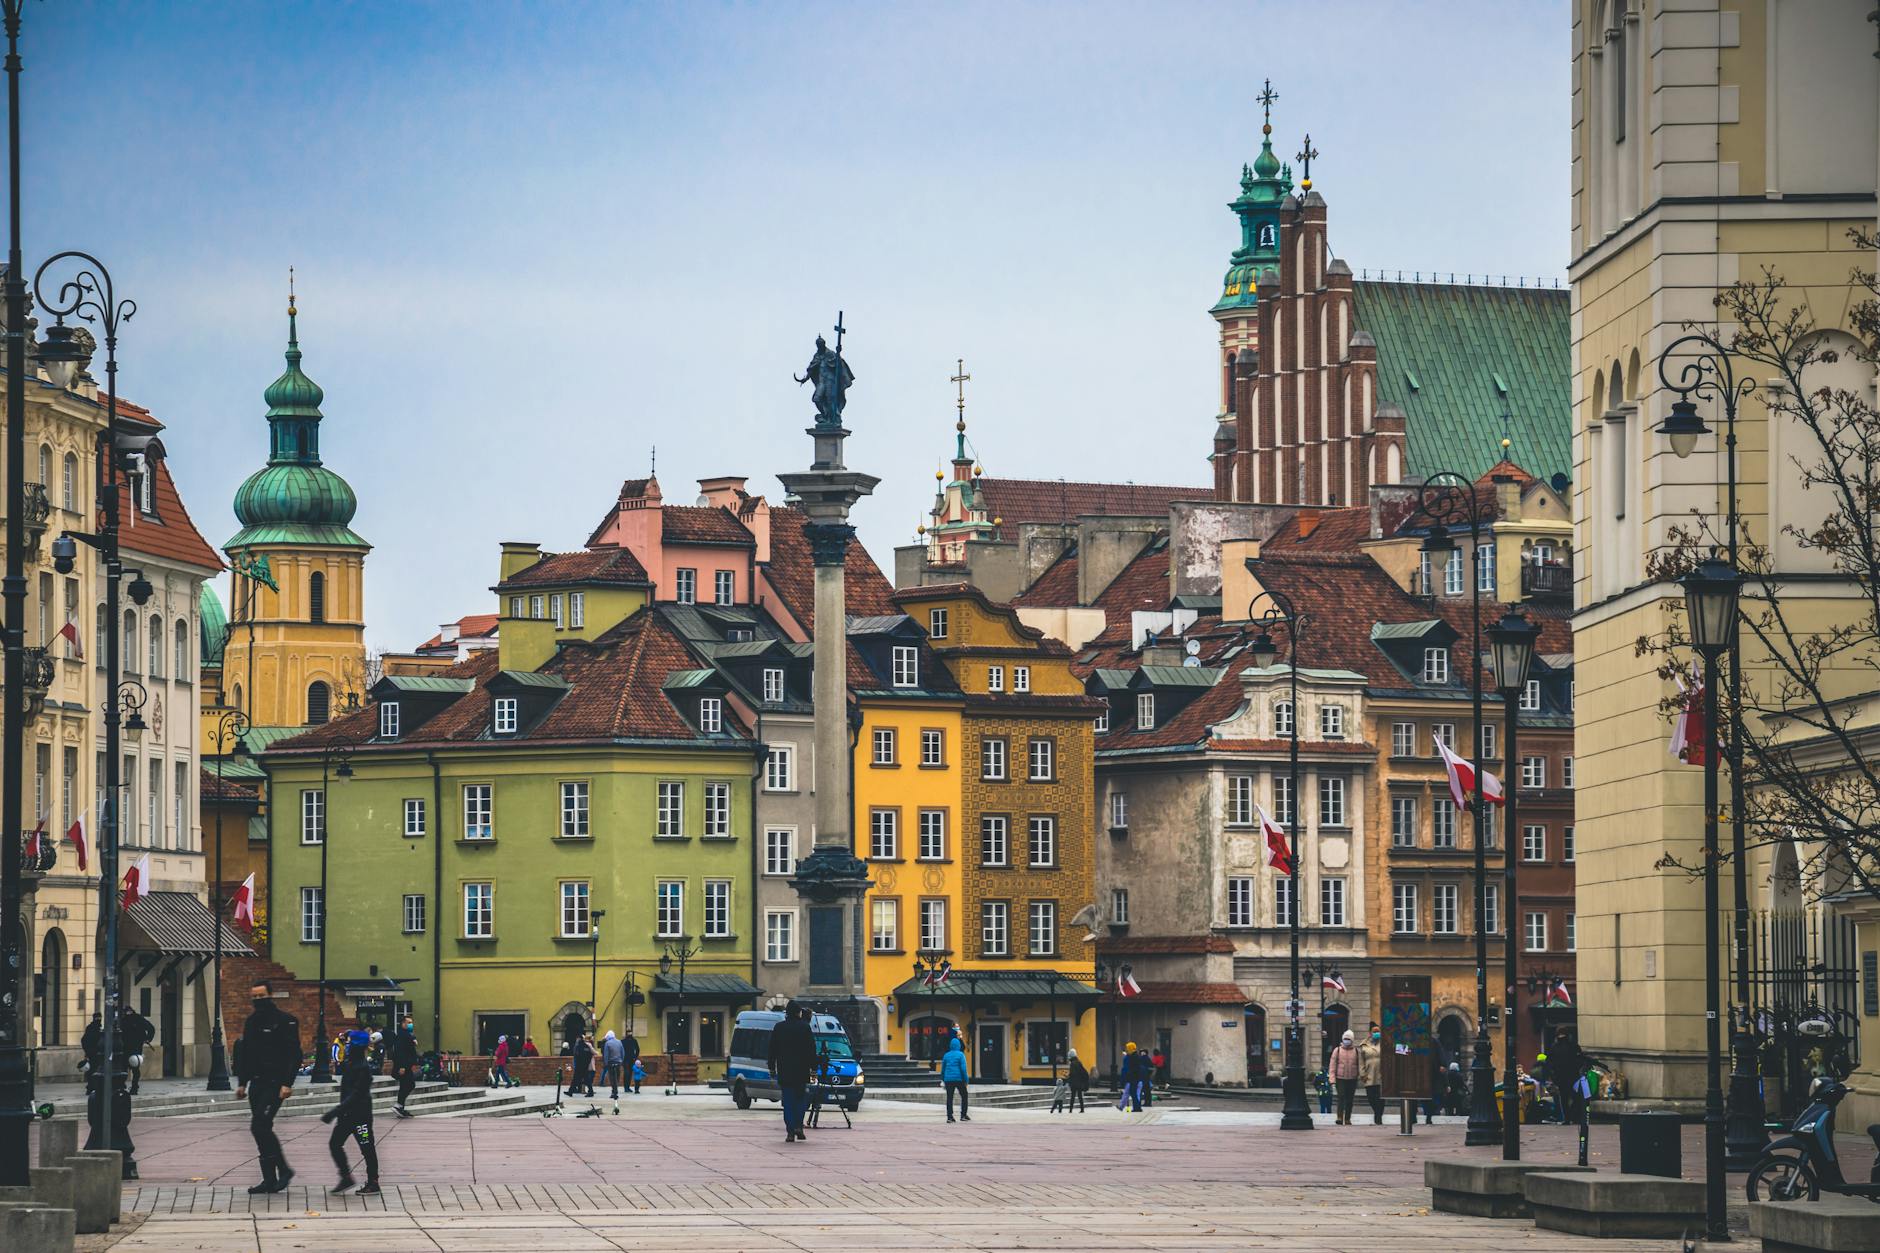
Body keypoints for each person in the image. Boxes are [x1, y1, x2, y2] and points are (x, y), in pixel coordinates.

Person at [235, 980, 302, 1194]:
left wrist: (287, 1083)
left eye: (261, 996)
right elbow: (246, 1053)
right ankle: (269, 1179)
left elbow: (294, 1054)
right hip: (256, 1082)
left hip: (275, 1083)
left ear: (270, 995)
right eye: (254, 997)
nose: (257, 1000)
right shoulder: (252, 1021)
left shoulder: (285, 1021)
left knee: (260, 1126)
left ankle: (283, 1170)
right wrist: (242, 1083)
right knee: (262, 1129)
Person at [321, 1030, 381, 1194]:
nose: (346, 1045)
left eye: (348, 1042)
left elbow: (356, 1094)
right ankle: (346, 1176)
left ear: (355, 1046)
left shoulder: (362, 1068)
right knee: (335, 1144)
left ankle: (373, 1181)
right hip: (347, 1116)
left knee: (367, 1148)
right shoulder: (349, 1064)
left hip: (360, 1116)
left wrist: (335, 1111)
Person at [82, 1005, 138, 1179]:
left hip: (105, 1061)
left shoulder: (96, 1030)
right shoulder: (99, 1031)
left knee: (96, 1083)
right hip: (112, 1061)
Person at [767, 1003, 817, 1142]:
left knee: (788, 1102)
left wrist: (771, 1067)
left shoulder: (779, 1027)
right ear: (798, 1013)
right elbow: (811, 1049)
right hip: (801, 1071)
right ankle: (798, 1126)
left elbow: (772, 1050)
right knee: (801, 1100)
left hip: (785, 1070)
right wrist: (814, 1068)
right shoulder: (804, 1027)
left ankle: (790, 1131)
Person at [118, 1004, 155, 1095]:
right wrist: (147, 1038)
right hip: (135, 1047)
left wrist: (147, 1038)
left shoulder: (124, 1020)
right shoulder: (139, 1019)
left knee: (125, 1068)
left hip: (127, 1047)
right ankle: (133, 1087)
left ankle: (124, 1086)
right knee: (134, 1068)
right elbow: (151, 1028)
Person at [1328, 1029, 1360, 1125]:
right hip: (1340, 1078)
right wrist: (1332, 1079)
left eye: (1348, 1039)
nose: (1347, 1040)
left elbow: (1360, 1065)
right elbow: (1332, 1065)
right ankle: (1339, 1117)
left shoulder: (1356, 1051)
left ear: (1352, 1040)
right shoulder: (1337, 1050)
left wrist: (1361, 1076)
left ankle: (1347, 1118)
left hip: (1352, 1078)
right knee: (1341, 1097)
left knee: (1350, 1099)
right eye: (1345, 1039)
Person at [389, 1018, 419, 1117]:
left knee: (405, 1084)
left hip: (407, 1065)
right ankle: (399, 1105)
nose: (411, 1024)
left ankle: (400, 1107)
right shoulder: (402, 1036)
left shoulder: (407, 1035)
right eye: (408, 1022)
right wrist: (401, 1066)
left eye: (411, 1022)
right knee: (409, 1084)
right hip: (404, 1065)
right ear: (403, 1023)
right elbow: (400, 1052)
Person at [940, 1034, 971, 1122]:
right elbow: (963, 1069)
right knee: (964, 1095)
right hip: (959, 1079)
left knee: (949, 1098)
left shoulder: (946, 1055)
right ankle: (963, 1115)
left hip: (948, 1080)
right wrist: (966, 1080)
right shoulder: (961, 1055)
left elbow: (943, 1069)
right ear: (959, 1045)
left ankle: (950, 1117)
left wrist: (942, 1079)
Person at [1358, 1028, 1384, 1125]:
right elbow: (1361, 1062)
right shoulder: (1364, 1045)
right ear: (1370, 1033)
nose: (1377, 1033)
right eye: (1375, 1032)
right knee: (1371, 1097)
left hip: (1381, 1075)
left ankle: (1378, 1117)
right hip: (1369, 1075)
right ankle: (1377, 1113)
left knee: (1381, 1098)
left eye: (1378, 1031)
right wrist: (1362, 1074)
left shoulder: (1384, 1043)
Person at [567, 1033, 596, 1097]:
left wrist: (578, 1063)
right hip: (585, 1065)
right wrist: (587, 1063)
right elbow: (590, 1055)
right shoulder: (586, 1046)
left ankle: (570, 1091)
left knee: (575, 1079)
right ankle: (571, 1091)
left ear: (579, 1039)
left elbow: (576, 1055)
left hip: (579, 1065)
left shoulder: (579, 1046)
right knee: (586, 1079)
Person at [600, 1030, 626, 1097]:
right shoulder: (619, 1042)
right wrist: (621, 1060)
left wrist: (606, 1063)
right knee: (617, 1077)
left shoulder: (607, 1043)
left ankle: (614, 1091)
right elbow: (622, 1052)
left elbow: (606, 1054)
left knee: (612, 1078)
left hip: (610, 1063)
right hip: (618, 1062)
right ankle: (615, 1090)